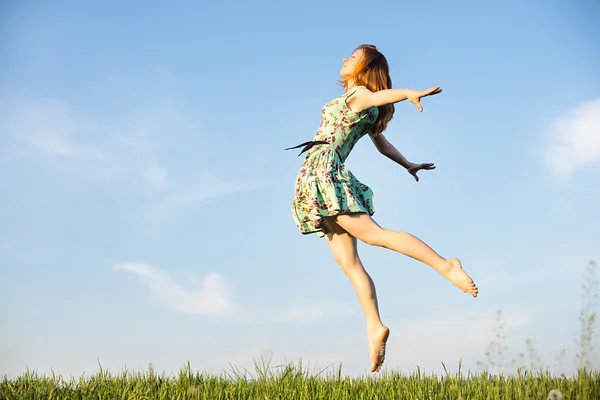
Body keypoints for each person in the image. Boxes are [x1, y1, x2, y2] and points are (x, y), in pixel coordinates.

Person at [286, 44, 478, 373]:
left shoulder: (359, 95)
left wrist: (408, 93)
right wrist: (408, 164)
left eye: (353, 56)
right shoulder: (362, 105)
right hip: (315, 179)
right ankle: (374, 327)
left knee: (376, 236)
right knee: (349, 263)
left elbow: (380, 98)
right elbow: (382, 144)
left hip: (324, 173)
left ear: (365, 68)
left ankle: (446, 264)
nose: (345, 58)